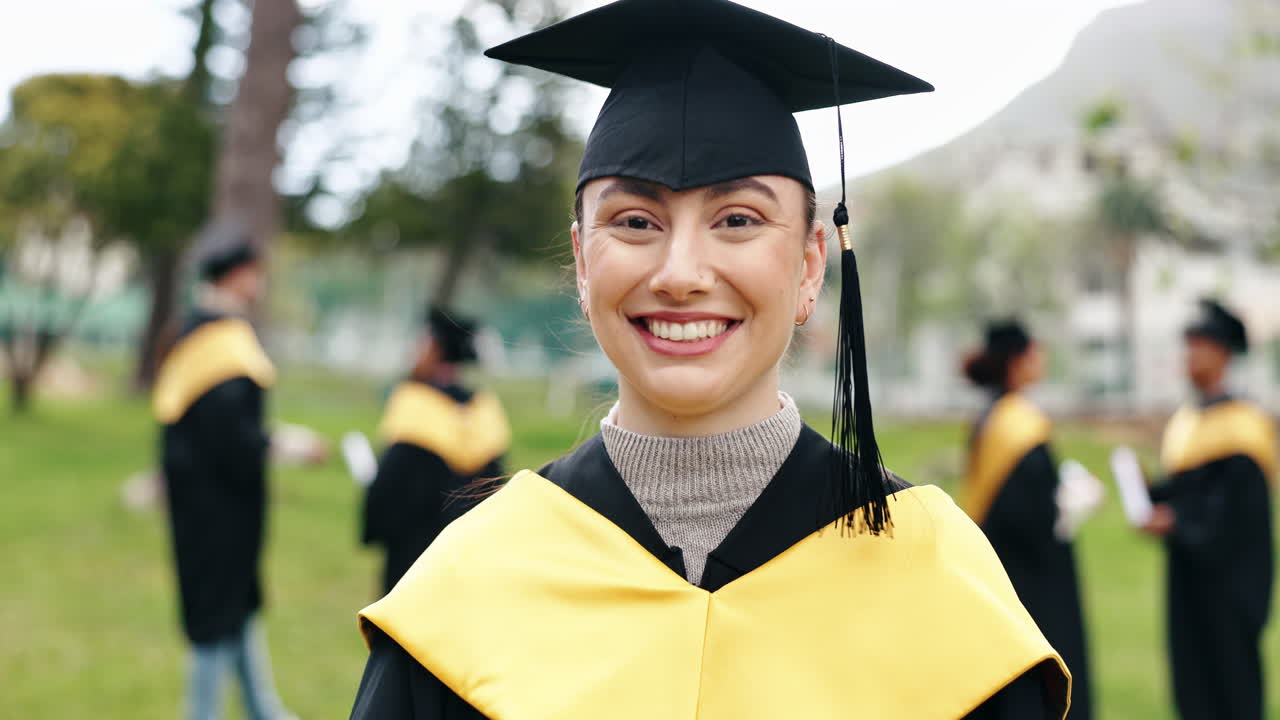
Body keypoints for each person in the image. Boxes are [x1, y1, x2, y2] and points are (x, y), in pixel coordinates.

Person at [350, 1, 1071, 717]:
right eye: (635, 222)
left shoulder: (935, 579)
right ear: (580, 260)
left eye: (738, 220)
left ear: (812, 264)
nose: (681, 271)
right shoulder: (467, 589)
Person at [153, 237, 294, 720]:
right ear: (236, 275)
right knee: (218, 612)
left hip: (201, 503)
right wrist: (278, 444)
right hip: (220, 508)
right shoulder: (223, 342)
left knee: (235, 604)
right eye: (256, 272)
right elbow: (230, 435)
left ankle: (263, 709)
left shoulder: (191, 334)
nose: (260, 282)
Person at [1141, 298, 1276, 720]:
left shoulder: (1245, 425)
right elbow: (1185, 490)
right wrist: (1150, 497)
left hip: (1230, 586)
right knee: (1192, 684)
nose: (1190, 355)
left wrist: (1178, 522)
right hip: (1188, 579)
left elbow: (1237, 516)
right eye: (1188, 345)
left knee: (1230, 689)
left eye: (1199, 345)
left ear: (1223, 354)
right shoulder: (1188, 420)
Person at [962, 320, 1093, 720]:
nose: (1042, 359)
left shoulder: (990, 417)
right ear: (1017, 363)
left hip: (998, 568)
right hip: (1035, 580)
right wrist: (1068, 504)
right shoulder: (1020, 423)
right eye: (1035, 352)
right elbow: (1034, 515)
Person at [361, 307, 510, 594]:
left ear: (434, 349)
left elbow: (388, 493)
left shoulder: (413, 405)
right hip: (468, 560)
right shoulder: (485, 410)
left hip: (412, 561)